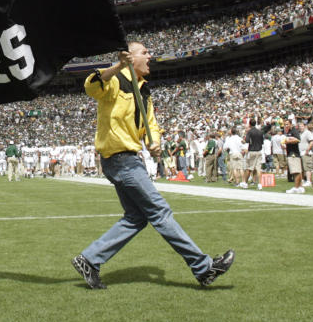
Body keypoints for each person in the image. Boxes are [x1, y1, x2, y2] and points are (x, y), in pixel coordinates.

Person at [71, 43, 234, 289]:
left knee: (136, 218)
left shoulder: (144, 91)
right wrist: (118, 65)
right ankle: (203, 268)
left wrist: (154, 143)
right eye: (145, 53)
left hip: (125, 159)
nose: (150, 57)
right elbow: (91, 86)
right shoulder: (116, 80)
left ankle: (89, 260)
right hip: (121, 159)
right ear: (131, 57)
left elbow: (150, 124)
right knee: (160, 212)